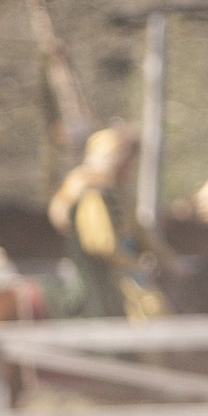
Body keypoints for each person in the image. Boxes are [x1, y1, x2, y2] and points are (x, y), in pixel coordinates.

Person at [47, 125, 165, 320]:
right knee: (152, 307)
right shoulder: (93, 195)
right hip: (104, 276)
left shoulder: (119, 194)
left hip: (123, 269)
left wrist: (169, 262)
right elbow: (104, 246)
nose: (131, 165)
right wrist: (136, 265)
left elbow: (141, 233)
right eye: (127, 159)